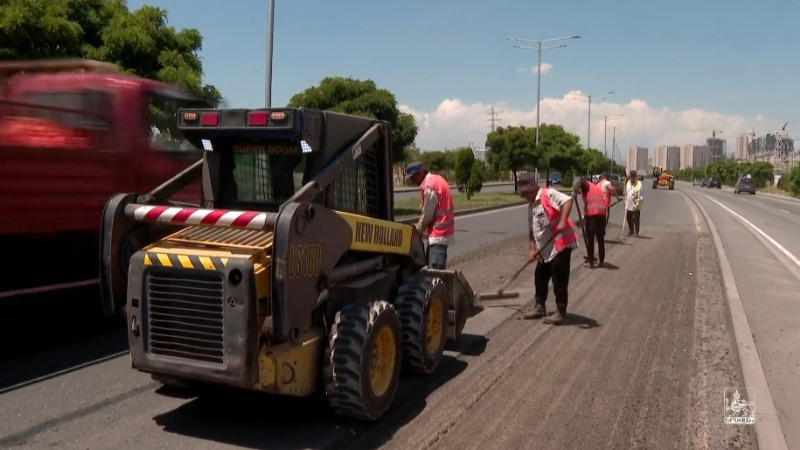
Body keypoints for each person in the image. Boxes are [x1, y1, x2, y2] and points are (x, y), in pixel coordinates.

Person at [517, 172, 578, 325]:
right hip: (546, 249)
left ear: (530, 189)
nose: (522, 196)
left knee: (559, 279)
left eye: (523, 193)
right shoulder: (531, 206)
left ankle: (560, 311)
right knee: (540, 276)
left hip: (560, 244)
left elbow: (567, 201)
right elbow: (532, 230)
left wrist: (563, 221)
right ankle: (539, 307)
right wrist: (531, 249)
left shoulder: (547, 194)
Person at [405, 161, 454, 269]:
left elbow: (427, 215)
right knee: (432, 268)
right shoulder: (436, 180)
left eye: (414, 177)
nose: (413, 181)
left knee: (435, 272)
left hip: (438, 234)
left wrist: (417, 232)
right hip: (441, 233)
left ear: (421, 173)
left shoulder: (430, 187)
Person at [572, 179, 608, 268]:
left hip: (594, 214)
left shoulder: (586, 184)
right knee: (600, 239)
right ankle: (602, 261)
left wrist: (574, 191)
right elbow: (589, 207)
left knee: (590, 238)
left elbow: (581, 182)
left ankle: (591, 262)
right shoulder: (594, 189)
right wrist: (584, 220)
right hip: (602, 214)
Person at [624, 170, 644, 236]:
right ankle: (631, 230)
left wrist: (637, 204)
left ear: (635, 176)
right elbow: (626, 193)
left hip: (636, 205)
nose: (632, 177)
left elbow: (640, 196)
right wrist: (625, 202)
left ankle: (636, 232)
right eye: (631, 176)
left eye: (633, 176)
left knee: (636, 219)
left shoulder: (639, 184)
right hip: (629, 204)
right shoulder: (628, 183)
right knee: (628, 218)